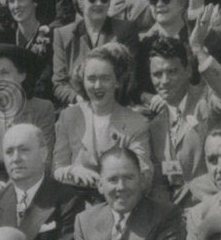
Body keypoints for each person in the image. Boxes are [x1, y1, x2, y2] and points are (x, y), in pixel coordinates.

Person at [145, 31, 221, 207]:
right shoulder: (155, 125)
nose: (164, 80)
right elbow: (160, 179)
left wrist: (198, 49)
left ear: (188, 70)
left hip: (217, 204)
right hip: (176, 213)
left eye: (172, 71)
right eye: (157, 74)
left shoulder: (207, 100)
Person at [53, 42, 152, 194]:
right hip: (75, 202)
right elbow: (57, 169)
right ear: (83, 81)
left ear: (117, 81)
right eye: (91, 79)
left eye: (105, 78)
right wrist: (72, 171)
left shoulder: (136, 122)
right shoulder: (69, 117)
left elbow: (144, 175)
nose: (97, 86)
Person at [0, 123, 83, 240]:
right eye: (9, 152)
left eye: (24, 150)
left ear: (43, 153)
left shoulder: (68, 200)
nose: (16, 158)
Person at [0, 43, 56, 195]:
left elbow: (45, 159)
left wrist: (16, 190)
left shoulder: (42, 108)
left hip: (34, 189)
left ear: (22, 75)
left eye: (5, 72)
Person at [53, 0, 139, 107]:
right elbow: (59, 83)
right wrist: (77, 99)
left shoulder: (125, 31)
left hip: (115, 107)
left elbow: (128, 79)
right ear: (81, 0)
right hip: (78, 108)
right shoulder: (63, 35)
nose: (99, 4)